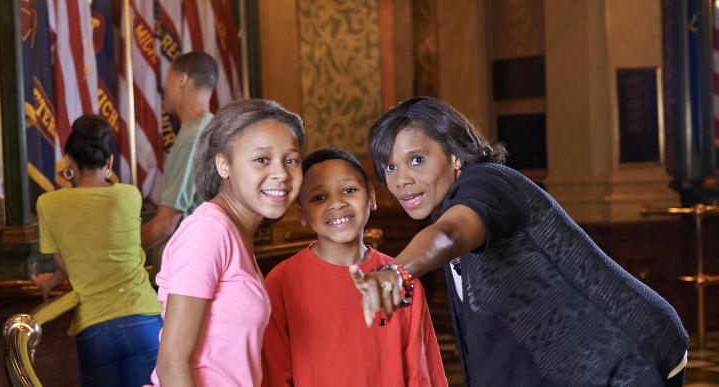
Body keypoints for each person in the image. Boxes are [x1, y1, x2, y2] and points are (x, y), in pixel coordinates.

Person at [351, 96, 688, 386]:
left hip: (629, 353)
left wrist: (397, 271)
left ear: (455, 155)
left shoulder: (489, 183)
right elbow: (490, 346)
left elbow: (450, 235)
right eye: (390, 167)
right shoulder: (446, 208)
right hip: (578, 361)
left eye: (416, 160)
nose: (401, 180)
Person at [261, 148, 447, 387]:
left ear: (371, 197)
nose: (337, 203)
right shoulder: (281, 282)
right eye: (319, 197)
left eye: (349, 190)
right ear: (302, 214)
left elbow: (422, 374)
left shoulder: (399, 276)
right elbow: (275, 376)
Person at [151, 99, 305, 387]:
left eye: (291, 160)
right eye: (262, 159)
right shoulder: (208, 231)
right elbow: (172, 364)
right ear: (223, 165)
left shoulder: (234, 232)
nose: (281, 173)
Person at [34, 115, 162, 387]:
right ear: (110, 162)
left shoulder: (48, 204)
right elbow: (110, 251)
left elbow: (75, 264)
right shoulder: (129, 195)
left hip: (95, 330)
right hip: (144, 320)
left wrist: (51, 280)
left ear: (68, 159)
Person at [141, 52, 219, 251]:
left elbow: (165, 225)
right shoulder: (211, 129)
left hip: (192, 263)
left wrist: (116, 258)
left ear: (182, 79)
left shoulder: (193, 138)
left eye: (168, 78)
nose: (164, 86)